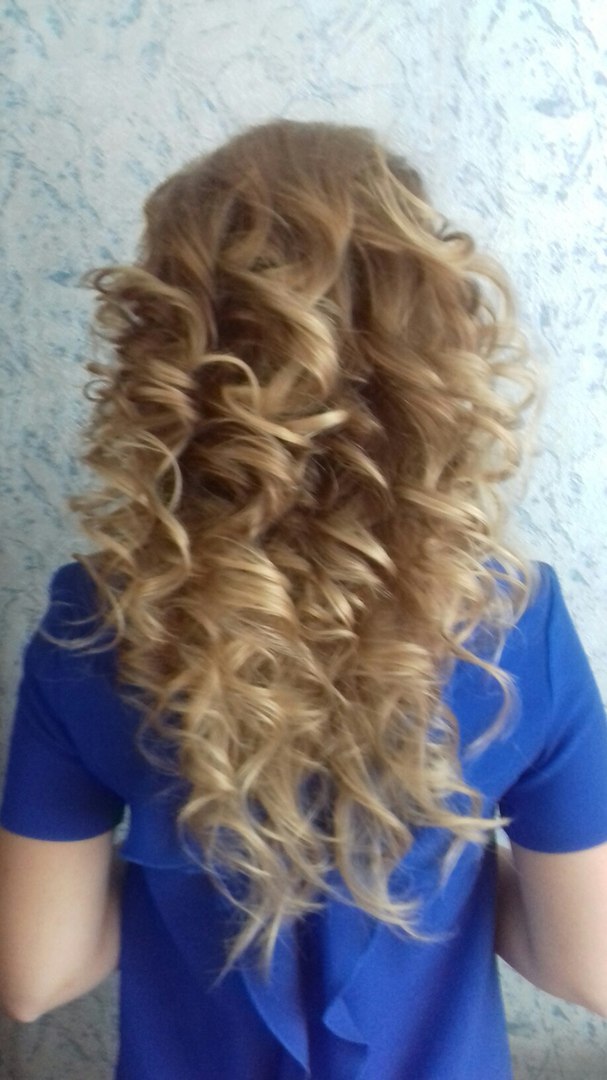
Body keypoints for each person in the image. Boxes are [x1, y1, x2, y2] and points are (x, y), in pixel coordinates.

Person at [1, 119, 606, 1080]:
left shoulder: (96, 621)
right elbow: (585, 965)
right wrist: (424, 869)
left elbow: (37, 974)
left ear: (170, 353)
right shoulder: (511, 624)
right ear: (430, 342)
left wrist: (188, 872)